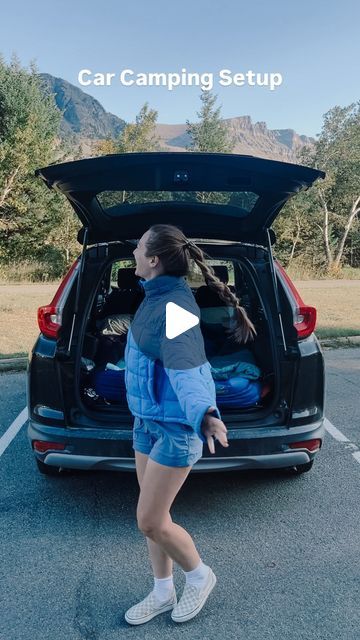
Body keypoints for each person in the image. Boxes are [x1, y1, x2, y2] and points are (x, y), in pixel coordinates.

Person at [123, 224, 256, 625]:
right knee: (154, 522)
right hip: (147, 423)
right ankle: (162, 591)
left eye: (140, 244)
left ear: (153, 259)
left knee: (149, 519)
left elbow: (189, 367)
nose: (134, 249)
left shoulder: (176, 307)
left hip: (176, 429)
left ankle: (199, 576)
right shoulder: (154, 296)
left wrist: (205, 413)